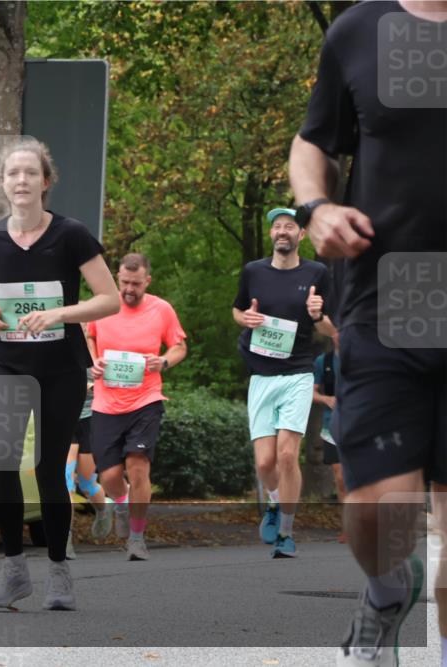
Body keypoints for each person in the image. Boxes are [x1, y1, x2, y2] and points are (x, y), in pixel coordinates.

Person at [288, 1, 446, 663]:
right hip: (389, 296)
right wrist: (316, 208)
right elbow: (313, 142)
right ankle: (385, 594)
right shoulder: (359, 30)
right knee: (379, 519)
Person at [0, 137, 120, 611]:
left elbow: (108, 298)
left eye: (31, 173)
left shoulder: (71, 235)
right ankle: (13, 571)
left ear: (45, 182)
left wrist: (60, 315)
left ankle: (58, 573)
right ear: (3, 183)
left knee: (51, 469)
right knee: (2, 461)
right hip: (8, 363)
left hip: (61, 368)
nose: (22, 181)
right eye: (13, 173)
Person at [232, 208, 336, 558]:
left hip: (297, 374)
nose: (282, 231)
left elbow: (330, 329)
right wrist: (245, 317)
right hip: (261, 375)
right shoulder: (253, 272)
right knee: (265, 463)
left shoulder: (317, 273)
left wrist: (316, 315)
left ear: (301, 235)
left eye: (289, 226)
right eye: (277, 226)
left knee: (287, 455)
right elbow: (237, 310)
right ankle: (275, 504)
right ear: (271, 234)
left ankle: (287, 534)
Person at [86, 253, 188, 561]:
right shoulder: (102, 306)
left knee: (138, 465)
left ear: (148, 281)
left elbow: (180, 346)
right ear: (117, 278)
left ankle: (137, 537)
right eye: (125, 282)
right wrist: (94, 363)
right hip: (106, 402)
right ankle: (121, 500)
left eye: (136, 283)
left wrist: (164, 361)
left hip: (145, 400)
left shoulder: (162, 310)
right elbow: (87, 336)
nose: (129, 289)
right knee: (109, 477)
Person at [65, 364, 110, 560]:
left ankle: (103, 510)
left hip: (89, 419)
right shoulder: (53, 343)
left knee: (86, 484)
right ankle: (64, 539)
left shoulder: (98, 349)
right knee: (65, 483)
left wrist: (90, 386)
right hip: (62, 419)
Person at [312, 332, 345, 543]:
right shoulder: (322, 361)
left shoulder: (363, 357)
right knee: (340, 476)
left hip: (362, 423)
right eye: (335, 329)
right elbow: (310, 392)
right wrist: (326, 399)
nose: (339, 334)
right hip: (332, 424)